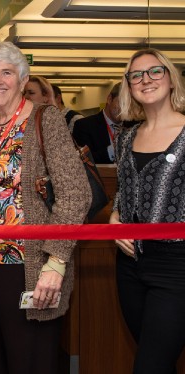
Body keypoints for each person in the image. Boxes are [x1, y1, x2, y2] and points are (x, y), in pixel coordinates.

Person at [0, 41, 90, 374]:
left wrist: (56, 263)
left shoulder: (45, 121)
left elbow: (76, 194)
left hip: (27, 263)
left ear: (23, 78)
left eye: (6, 72)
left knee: (28, 358)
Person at [110, 48, 185, 374]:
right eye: (136, 75)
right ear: (129, 85)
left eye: (155, 71)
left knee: (150, 367)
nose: (146, 80)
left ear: (170, 79)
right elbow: (124, 190)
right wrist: (115, 217)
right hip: (130, 265)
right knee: (157, 359)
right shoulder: (127, 137)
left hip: (177, 268)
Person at [72, 83, 124, 164]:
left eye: (131, 105)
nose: (125, 109)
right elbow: (83, 160)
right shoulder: (84, 126)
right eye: (122, 103)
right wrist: (113, 149)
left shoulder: (136, 127)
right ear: (109, 99)